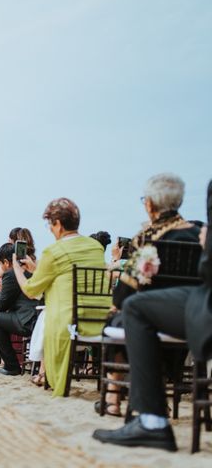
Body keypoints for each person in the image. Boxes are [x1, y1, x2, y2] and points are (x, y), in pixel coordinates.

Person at [93, 180, 212, 451]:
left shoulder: (147, 239)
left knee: (118, 317)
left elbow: (123, 294)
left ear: (149, 205)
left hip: (159, 321)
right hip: (191, 323)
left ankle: (116, 397)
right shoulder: (198, 233)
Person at [13, 198, 107, 396]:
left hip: (69, 321)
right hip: (100, 319)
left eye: (50, 225)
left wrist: (16, 268)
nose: (50, 229)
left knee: (46, 317)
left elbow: (31, 290)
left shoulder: (53, 251)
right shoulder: (96, 247)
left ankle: (45, 373)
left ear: (58, 224)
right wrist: (36, 268)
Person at [0, 243, 39, 375]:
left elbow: (1, 305)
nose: (0, 267)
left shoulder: (11, 274)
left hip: (27, 321)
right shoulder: (30, 269)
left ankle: (11, 366)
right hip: (39, 318)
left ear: (7, 262)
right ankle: (12, 365)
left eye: (0, 263)